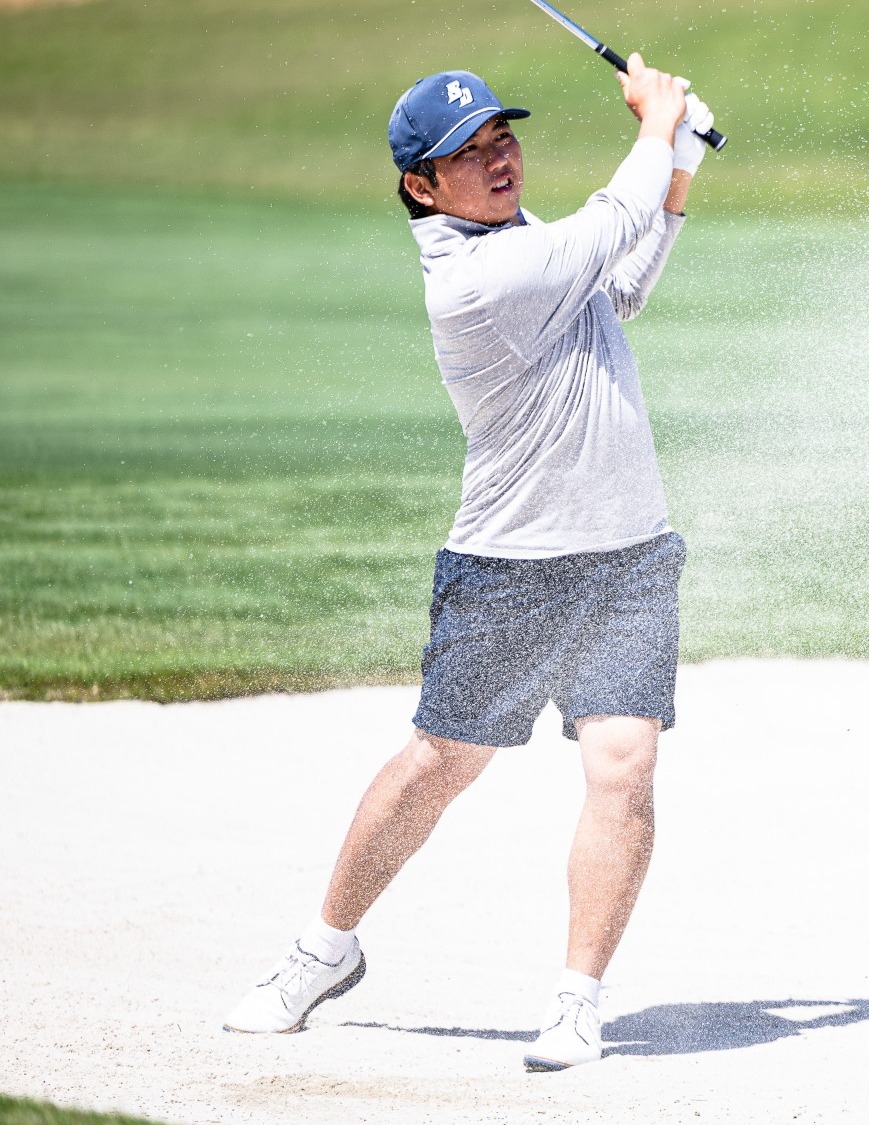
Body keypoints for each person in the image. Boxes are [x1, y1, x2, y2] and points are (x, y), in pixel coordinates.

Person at [221, 57, 713, 1073]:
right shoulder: (477, 280)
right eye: (469, 154)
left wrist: (680, 166)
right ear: (421, 184)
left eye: (502, 138)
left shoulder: (526, 245)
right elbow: (611, 226)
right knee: (439, 765)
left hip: (627, 555)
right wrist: (657, 125)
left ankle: (577, 999)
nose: (498, 160)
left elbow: (621, 285)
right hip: (511, 566)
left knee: (624, 765)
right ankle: (325, 949)